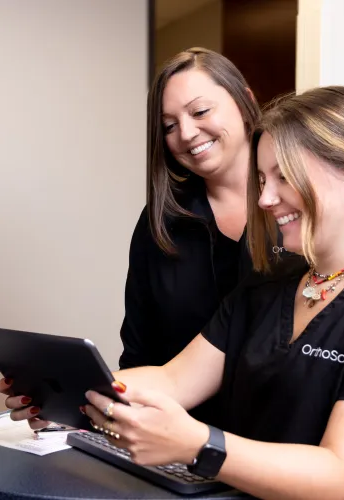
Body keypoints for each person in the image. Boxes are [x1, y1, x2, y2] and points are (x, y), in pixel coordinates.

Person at [0, 86, 344, 499]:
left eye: (282, 176)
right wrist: (67, 392)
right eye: (261, 180)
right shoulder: (268, 284)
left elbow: (339, 476)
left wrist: (200, 445)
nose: (264, 199)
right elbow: (174, 380)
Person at [116, 47, 263, 424]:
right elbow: (141, 356)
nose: (186, 133)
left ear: (245, 100)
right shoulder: (161, 223)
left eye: (200, 111)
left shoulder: (297, 215)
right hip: (174, 445)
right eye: (168, 125)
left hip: (277, 449)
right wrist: (74, 402)